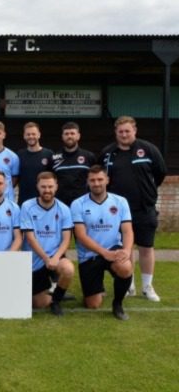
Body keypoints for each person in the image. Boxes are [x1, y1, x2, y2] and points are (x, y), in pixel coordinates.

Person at [100, 115, 167, 301]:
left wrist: (147, 192)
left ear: (135, 131)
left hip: (144, 209)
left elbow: (160, 173)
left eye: (127, 131)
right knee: (125, 249)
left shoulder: (148, 150)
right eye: (120, 131)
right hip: (118, 213)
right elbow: (102, 177)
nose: (124, 134)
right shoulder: (107, 153)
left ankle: (148, 286)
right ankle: (129, 284)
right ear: (116, 133)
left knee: (146, 247)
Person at [71, 165, 134, 320]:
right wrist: (105, 253)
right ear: (88, 182)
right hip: (89, 255)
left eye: (100, 179)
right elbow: (80, 235)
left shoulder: (120, 202)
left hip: (114, 249)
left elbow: (127, 230)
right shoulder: (78, 204)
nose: (97, 183)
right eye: (93, 180)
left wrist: (126, 251)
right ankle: (97, 289)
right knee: (92, 305)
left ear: (107, 180)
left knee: (125, 267)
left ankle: (117, 304)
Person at [20, 171, 74, 316]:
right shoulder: (27, 206)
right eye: (43, 187)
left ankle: (56, 301)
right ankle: (51, 289)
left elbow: (66, 238)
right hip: (35, 261)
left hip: (55, 258)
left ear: (56, 186)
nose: (47, 190)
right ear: (37, 186)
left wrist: (56, 257)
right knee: (38, 304)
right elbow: (30, 238)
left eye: (50, 186)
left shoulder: (64, 209)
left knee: (68, 269)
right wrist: (45, 258)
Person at [16, 122, 54, 204]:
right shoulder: (19, 155)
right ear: (24, 136)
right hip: (24, 201)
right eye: (28, 134)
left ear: (39, 135)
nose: (31, 137)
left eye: (33, 134)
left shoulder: (49, 154)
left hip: (44, 201)